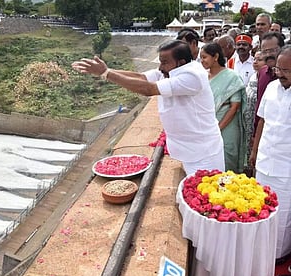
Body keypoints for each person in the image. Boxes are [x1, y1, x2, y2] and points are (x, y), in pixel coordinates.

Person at [72, 39, 225, 175]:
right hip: (190, 151)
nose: (160, 67)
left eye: (164, 62)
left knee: (206, 198)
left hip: (204, 154)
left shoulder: (192, 76)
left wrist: (106, 73)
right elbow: (141, 78)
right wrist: (105, 71)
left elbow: (148, 89)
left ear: (181, 62)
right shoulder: (168, 71)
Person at [249, 46, 291, 276]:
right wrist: (254, 153)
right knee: (261, 209)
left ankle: (279, 255)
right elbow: (262, 121)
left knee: (284, 215)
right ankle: (260, 250)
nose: (280, 73)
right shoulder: (272, 87)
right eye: (278, 68)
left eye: (286, 70)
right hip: (265, 160)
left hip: (287, 167)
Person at [200, 43, 247, 173]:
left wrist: (218, 128)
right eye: (200, 58)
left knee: (227, 160)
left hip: (228, 127)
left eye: (204, 57)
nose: (202, 61)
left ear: (215, 56)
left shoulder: (232, 77)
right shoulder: (202, 77)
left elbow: (234, 107)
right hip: (207, 126)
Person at [253, 32, 286, 138]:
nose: (268, 55)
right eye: (264, 51)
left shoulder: (287, 77)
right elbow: (259, 107)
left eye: (272, 50)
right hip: (265, 134)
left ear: (282, 48)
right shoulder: (262, 72)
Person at [243, 50, 265, 172]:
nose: (255, 62)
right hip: (248, 120)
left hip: (257, 121)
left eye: (259, 60)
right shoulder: (253, 76)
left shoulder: (266, 80)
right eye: (254, 59)